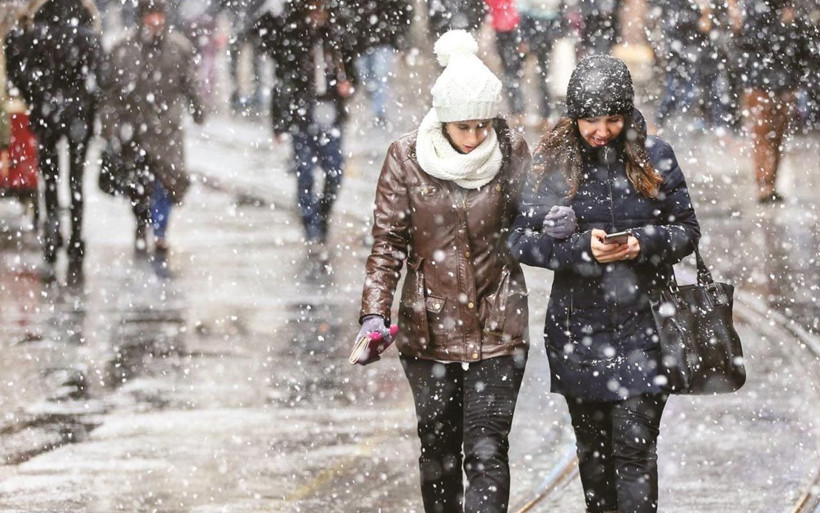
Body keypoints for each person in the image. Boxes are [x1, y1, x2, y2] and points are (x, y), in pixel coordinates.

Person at [509, 56, 701, 513]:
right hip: (579, 335)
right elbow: (519, 239)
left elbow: (688, 231)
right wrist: (579, 250)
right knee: (594, 461)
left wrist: (641, 243)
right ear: (573, 117)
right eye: (590, 120)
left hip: (648, 329)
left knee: (634, 453)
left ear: (627, 114)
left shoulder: (657, 156)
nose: (600, 130)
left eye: (612, 119)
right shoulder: (553, 164)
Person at [356, 30, 531, 513]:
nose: (475, 137)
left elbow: (529, 219)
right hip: (427, 329)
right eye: (463, 127)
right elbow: (388, 243)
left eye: (482, 126)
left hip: (500, 325)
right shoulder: (406, 157)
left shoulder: (512, 150)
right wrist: (373, 313)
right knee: (438, 452)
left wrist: (553, 223)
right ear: (442, 120)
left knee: (487, 448)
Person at [100, 0, 204, 276]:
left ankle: (160, 231)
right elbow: (111, 92)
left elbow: (190, 82)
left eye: (159, 15)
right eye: (151, 16)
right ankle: (140, 223)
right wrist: (110, 123)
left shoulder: (178, 48)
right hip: (134, 129)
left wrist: (198, 108)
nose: (155, 22)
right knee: (138, 184)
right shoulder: (123, 50)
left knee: (167, 181)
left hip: (166, 130)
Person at [4, 0, 102, 284]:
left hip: (47, 111)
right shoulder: (86, 24)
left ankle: (53, 230)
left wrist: (36, 96)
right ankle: (76, 237)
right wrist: (87, 101)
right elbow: (99, 72)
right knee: (76, 179)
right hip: (77, 114)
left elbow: (17, 65)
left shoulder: (36, 25)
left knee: (50, 175)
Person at [256, 0, 356, 245]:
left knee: (335, 171)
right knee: (305, 173)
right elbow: (282, 83)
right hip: (301, 116)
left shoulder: (337, 36)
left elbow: (352, 73)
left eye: (321, 9)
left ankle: (322, 213)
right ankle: (310, 223)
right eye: (312, 9)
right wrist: (278, 124)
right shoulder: (292, 37)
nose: (317, 14)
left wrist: (349, 86)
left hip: (331, 112)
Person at [737, 0, 817, 203]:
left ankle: (770, 183)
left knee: (777, 135)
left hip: (782, 82)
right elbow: (756, 41)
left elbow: (802, 47)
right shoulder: (760, 10)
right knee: (763, 134)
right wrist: (786, 26)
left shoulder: (789, 12)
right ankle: (764, 183)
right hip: (762, 83)